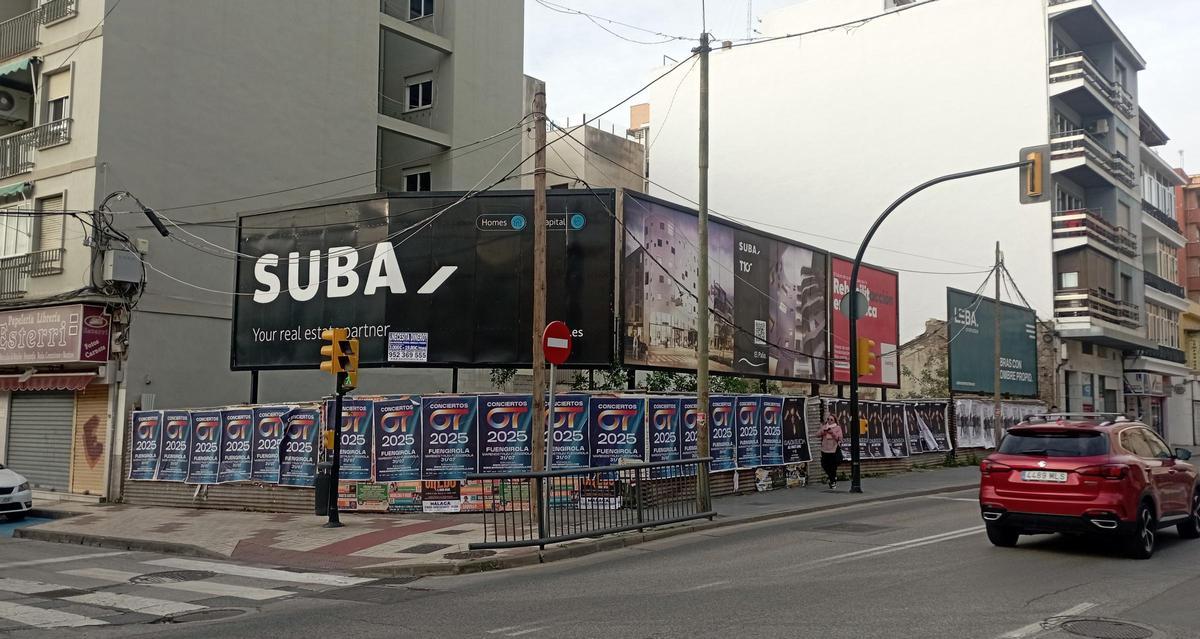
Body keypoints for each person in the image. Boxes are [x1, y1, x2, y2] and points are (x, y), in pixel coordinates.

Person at [819, 415, 844, 490]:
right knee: (824, 465)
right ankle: (833, 477)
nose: (829, 421)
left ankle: (833, 482)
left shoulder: (837, 428)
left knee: (832, 467)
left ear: (835, 421)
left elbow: (839, 438)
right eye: (828, 419)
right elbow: (817, 434)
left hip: (833, 449)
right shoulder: (824, 426)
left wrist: (832, 432)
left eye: (831, 419)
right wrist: (823, 431)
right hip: (824, 449)